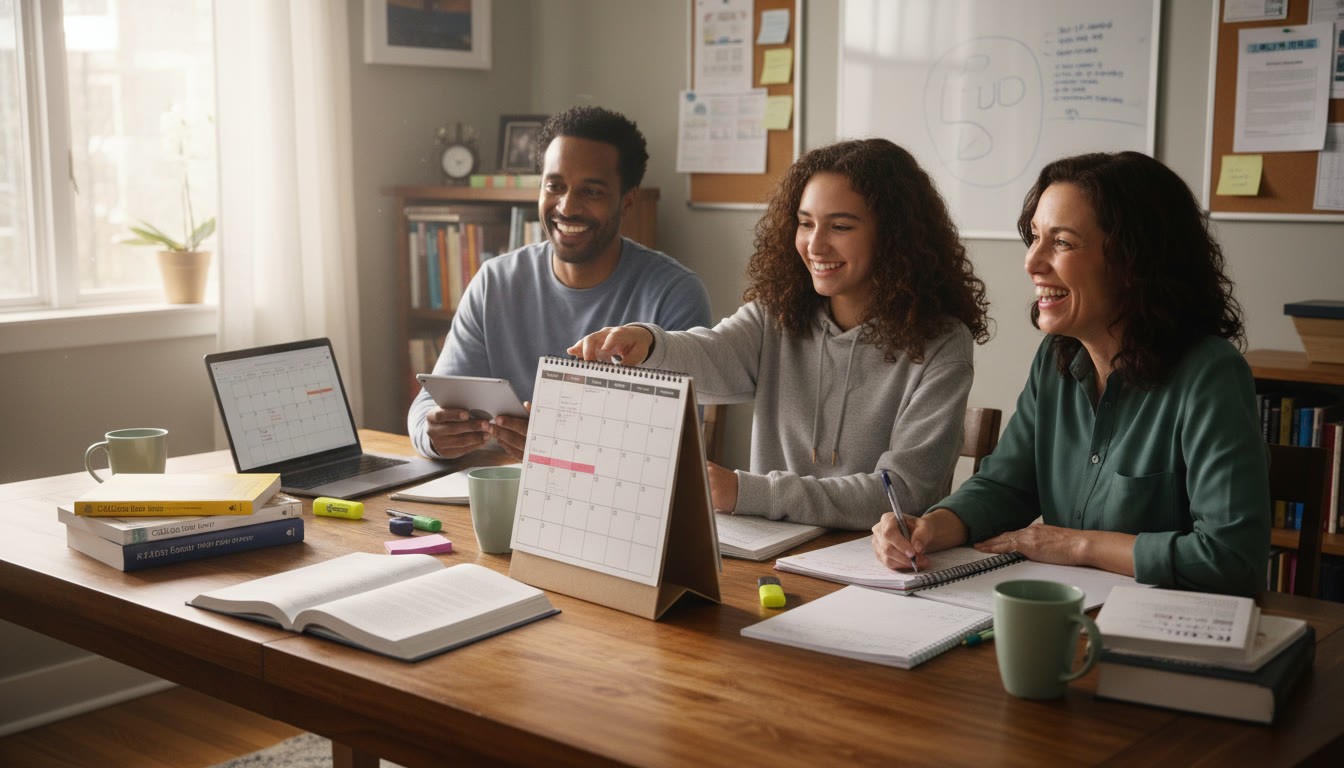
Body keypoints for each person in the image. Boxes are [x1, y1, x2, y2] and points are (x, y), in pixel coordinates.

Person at [872, 151, 1270, 596]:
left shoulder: (1210, 374)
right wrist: (929, 527)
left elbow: (1232, 558)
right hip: (1068, 617)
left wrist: (1080, 545)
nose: (1032, 262)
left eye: (1061, 242)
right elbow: (1006, 486)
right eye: (1036, 237)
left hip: (1166, 630)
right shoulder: (1055, 359)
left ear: (1133, 262)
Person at [568, 138, 991, 529]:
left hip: (875, 566)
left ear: (895, 237)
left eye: (840, 227)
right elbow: (712, 355)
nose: (815, 245)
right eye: (805, 223)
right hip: (769, 555)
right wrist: (647, 343)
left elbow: (903, 492)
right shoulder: (779, 314)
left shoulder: (941, 343)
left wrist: (748, 491)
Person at [408, 106, 712, 461]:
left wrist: (562, 451)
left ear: (627, 201)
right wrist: (434, 435)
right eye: (555, 186)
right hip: (501, 492)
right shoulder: (495, 282)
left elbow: (673, 444)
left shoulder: (674, 295)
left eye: (592, 192)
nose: (567, 207)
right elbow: (429, 402)